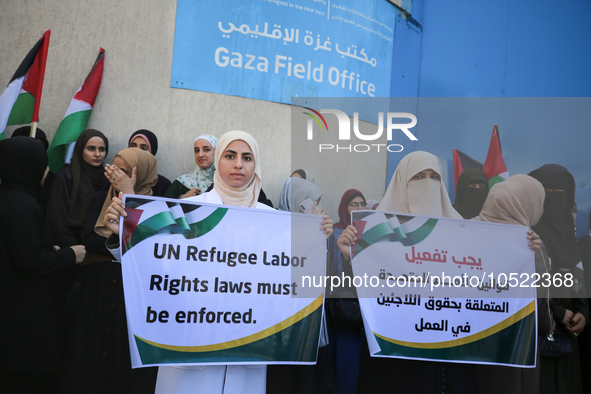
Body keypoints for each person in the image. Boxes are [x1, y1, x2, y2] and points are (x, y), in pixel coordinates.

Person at [104, 131, 332, 393]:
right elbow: (154, 266)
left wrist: (315, 241)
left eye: (247, 158)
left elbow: (294, 283)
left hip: (248, 355)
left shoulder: (275, 221)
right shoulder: (186, 210)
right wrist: (123, 233)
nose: (238, 164)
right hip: (188, 349)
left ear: (255, 165)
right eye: (230, 156)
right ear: (218, 162)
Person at [59, 147, 159, 393]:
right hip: (99, 288)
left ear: (141, 173)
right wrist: (121, 244)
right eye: (112, 169)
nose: (115, 176)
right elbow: (89, 239)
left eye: (123, 171)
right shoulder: (99, 199)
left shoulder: (157, 207)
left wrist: (130, 196)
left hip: (132, 294)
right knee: (90, 351)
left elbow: (150, 250)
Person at [0, 137, 85, 393]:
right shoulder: (24, 206)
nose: (47, 171)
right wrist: (70, 255)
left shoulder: (10, 198)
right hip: (21, 317)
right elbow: (31, 261)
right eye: (42, 163)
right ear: (27, 166)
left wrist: (48, 248)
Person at [474, 174, 554, 394]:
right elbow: (542, 316)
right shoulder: (531, 246)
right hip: (513, 350)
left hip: (463, 346)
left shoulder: (465, 231)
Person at [529, 164, 589, 394]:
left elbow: (579, 276)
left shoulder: (569, 237)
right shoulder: (528, 236)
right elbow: (525, 285)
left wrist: (584, 313)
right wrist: (558, 312)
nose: (555, 201)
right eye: (548, 193)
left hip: (571, 334)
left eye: (560, 193)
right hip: (540, 330)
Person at [326, 189, 368, 394]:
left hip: (366, 317)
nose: (359, 209)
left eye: (362, 205)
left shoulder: (371, 235)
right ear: (344, 207)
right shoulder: (334, 233)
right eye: (354, 205)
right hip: (343, 314)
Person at [47, 129, 109, 247]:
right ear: (80, 149)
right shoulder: (67, 175)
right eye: (91, 148)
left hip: (95, 246)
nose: (97, 154)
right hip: (69, 245)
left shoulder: (106, 177)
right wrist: (72, 248)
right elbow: (56, 218)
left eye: (102, 149)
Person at [11, 126, 53, 212]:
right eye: (31, 144)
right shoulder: (8, 171)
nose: (36, 149)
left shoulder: (50, 178)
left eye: (41, 146)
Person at [165, 134, 217, 199]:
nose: (200, 155)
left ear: (216, 152)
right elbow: (164, 206)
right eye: (197, 151)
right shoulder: (182, 183)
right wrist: (182, 198)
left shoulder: (225, 184)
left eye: (206, 149)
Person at [128, 129, 171, 196]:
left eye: (143, 148)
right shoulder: (120, 178)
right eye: (133, 146)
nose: (137, 151)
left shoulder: (163, 184)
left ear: (152, 153)